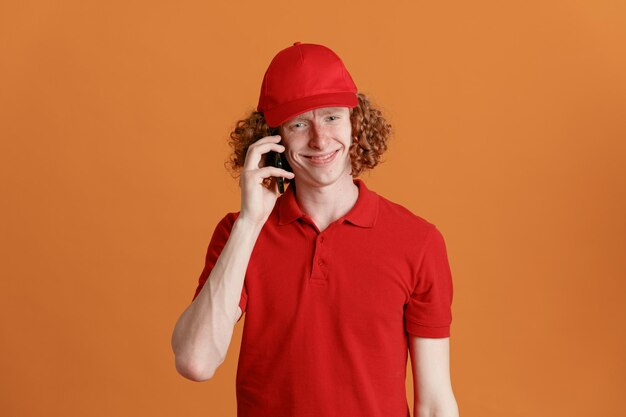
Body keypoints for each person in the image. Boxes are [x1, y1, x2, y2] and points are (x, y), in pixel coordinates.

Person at [171, 42, 459, 417]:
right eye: (299, 123)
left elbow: (435, 402)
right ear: (271, 139)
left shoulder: (418, 241)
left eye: (331, 117)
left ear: (355, 122)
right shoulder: (238, 234)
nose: (320, 140)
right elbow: (196, 362)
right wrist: (249, 222)